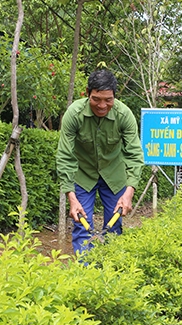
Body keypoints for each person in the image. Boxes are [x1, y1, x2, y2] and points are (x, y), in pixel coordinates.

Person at [56, 69, 144, 255]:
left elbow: (134, 155)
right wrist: (71, 198)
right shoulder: (74, 114)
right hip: (83, 175)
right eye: (96, 99)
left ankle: (110, 273)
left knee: (114, 226)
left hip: (114, 175)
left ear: (114, 96)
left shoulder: (124, 115)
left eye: (108, 100)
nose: (102, 105)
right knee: (81, 225)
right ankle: (86, 275)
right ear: (87, 93)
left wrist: (129, 192)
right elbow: (65, 156)